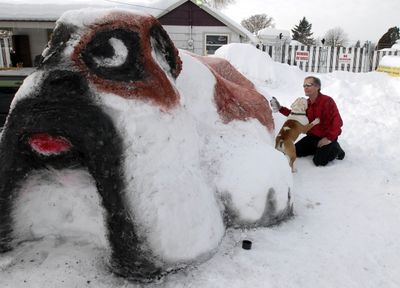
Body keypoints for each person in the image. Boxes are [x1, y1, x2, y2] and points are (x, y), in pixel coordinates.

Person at [270, 76, 345, 166]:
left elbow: (337, 121)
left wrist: (329, 138)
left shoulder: (327, 101)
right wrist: (280, 108)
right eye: (304, 85)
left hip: (327, 136)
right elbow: (296, 115)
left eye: (309, 85)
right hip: (313, 137)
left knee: (319, 161)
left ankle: (336, 149)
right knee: (295, 151)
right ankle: (318, 149)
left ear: (317, 87)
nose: (305, 87)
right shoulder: (306, 103)